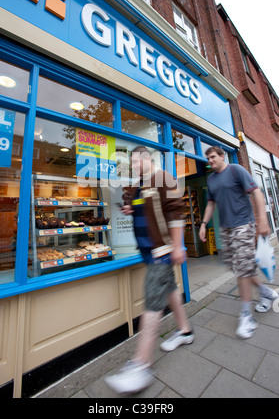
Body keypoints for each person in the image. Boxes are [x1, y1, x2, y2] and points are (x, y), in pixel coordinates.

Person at [105, 146, 193, 395]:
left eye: (135, 162)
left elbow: (176, 212)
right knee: (170, 290)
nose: (133, 167)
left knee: (152, 302)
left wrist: (177, 246)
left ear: (146, 159)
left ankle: (141, 365)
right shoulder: (139, 185)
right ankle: (185, 330)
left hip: (161, 250)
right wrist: (130, 209)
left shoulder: (164, 178)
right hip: (147, 251)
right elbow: (138, 206)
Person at [199, 146, 278, 340]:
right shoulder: (211, 179)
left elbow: (257, 193)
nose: (210, 160)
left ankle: (246, 315)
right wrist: (202, 224)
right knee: (239, 268)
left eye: (213, 157)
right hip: (225, 229)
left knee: (243, 269)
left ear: (222, 156)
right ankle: (265, 292)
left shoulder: (236, 170)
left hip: (244, 224)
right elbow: (211, 203)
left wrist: (262, 219)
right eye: (208, 158)